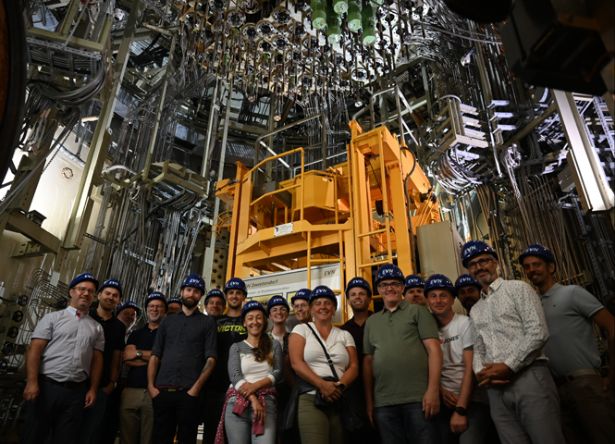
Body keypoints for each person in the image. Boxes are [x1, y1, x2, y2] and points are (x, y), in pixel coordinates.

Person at [461, 240, 564, 444]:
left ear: (495, 262)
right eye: (472, 264)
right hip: (495, 388)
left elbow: (538, 332)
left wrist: (509, 366)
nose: (479, 267)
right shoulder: (475, 309)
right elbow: (478, 347)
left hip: (529, 377)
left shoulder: (518, 289)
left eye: (483, 261)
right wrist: (483, 373)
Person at [519, 243, 615, 444]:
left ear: (551, 267)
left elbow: (611, 326)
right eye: (527, 267)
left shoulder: (572, 293)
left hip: (585, 384)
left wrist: (611, 374)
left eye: (536, 264)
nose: (531, 270)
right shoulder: (534, 305)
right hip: (556, 390)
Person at [22, 272, 104, 444]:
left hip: (76, 393)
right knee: (35, 434)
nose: (86, 293)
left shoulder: (96, 328)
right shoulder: (52, 318)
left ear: (94, 296)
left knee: (66, 438)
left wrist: (93, 389)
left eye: (91, 291)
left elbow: (97, 361)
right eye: (82, 289)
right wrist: (31, 382)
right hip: (46, 387)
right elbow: (35, 350)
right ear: (72, 292)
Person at [364, 263, 441, 444]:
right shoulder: (372, 322)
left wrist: (433, 391)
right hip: (383, 403)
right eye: (384, 284)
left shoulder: (418, 312)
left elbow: (434, 350)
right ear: (378, 289)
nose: (389, 287)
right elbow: (368, 363)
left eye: (394, 283)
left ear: (401, 287)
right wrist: (370, 403)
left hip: (418, 399)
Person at [147, 273, 217, 444]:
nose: (191, 294)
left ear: (201, 296)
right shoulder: (167, 321)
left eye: (196, 291)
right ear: (182, 292)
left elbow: (211, 359)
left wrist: (195, 390)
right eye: (188, 290)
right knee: (159, 438)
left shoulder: (208, 323)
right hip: (162, 391)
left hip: (189, 394)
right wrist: (151, 387)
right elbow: (155, 355)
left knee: (187, 439)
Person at [425, 274, 492, 444]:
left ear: (453, 299)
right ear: (427, 301)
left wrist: (461, 410)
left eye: (443, 295)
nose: (438, 300)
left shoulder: (465, 323)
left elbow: (471, 367)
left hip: (471, 400)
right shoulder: (427, 330)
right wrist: (439, 390)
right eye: (433, 296)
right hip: (442, 400)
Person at [289, 285, 359, 444]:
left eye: (327, 303)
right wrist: (322, 385)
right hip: (310, 397)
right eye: (317, 303)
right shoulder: (301, 330)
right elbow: (296, 363)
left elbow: (354, 367)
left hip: (338, 398)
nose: (323, 307)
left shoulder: (344, 334)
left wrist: (339, 386)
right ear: (311, 309)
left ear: (334, 309)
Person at [217, 301, 283, 444]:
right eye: (250, 318)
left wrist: (255, 386)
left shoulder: (274, 344)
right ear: (244, 323)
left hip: (266, 403)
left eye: (259, 317)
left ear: (265, 321)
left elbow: (277, 372)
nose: (255, 321)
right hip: (236, 404)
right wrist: (253, 399)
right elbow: (235, 376)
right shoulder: (236, 347)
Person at [203, 277, 248, 444]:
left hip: (242, 386)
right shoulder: (214, 321)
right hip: (215, 386)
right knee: (212, 433)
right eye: (231, 293)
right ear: (226, 296)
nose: (234, 296)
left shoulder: (249, 320)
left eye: (238, 293)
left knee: (237, 436)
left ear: (244, 296)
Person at [81, 279, 126, 444]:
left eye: (115, 295)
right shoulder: (85, 316)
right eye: (107, 293)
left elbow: (117, 356)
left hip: (101, 387)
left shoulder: (119, 327)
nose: (111, 297)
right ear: (98, 295)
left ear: (119, 300)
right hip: (78, 383)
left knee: (91, 432)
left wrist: (111, 383)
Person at [120, 291, 167, 444]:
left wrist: (138, 353)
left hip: (155, 391)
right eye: (151, 306)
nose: (154, 309)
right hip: (131, 390)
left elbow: (165, 359)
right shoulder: (136, 334)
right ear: (147, 310)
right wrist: (154, 357)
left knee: (149, 438)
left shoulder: (169, 334)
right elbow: (127, 358)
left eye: (159, 306)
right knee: (127, 437)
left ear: (164, 311)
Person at [341, 277, 380, 443]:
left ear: (369, 298)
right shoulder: (343, 331)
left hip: (381, 387)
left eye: (362, 293)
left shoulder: (381, 322)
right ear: (348, 299)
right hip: (353, 394)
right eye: (353, 294)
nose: (357, 297)